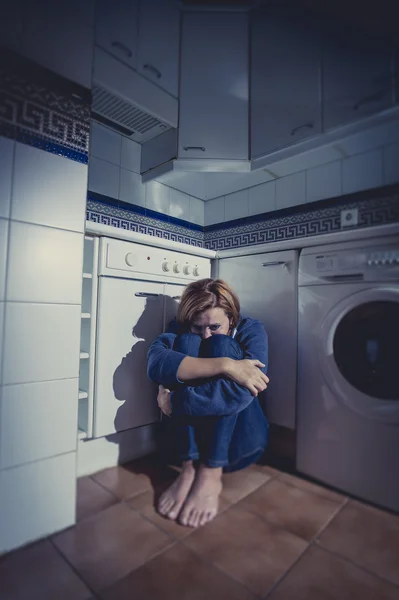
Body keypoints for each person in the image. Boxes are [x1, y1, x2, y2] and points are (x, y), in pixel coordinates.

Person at [147, 278, 269, 528]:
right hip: (186, 448)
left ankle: (211, 472)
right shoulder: (181, 330)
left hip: (240, 444)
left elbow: (242, 391)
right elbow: (155, 363)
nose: (206, 334)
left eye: (215, 326)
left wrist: (176, 400)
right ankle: (189, 468)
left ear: (232, 319)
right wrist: (225, 365)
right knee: (187, 344)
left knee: (221, 345)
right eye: (197, 327)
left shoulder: (252, 330)